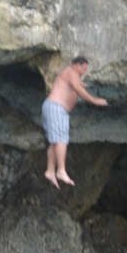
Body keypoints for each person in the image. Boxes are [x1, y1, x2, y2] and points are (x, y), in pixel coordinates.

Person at [42, 57, 107, 189]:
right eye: (84, 68)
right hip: (56, 107)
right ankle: (61, 170)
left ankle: (50, 171)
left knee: (55, 141)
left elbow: (73, 87)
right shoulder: (71, 72)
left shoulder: (71, 76)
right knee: (61, 139)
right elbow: (78, 88)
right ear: (77, 65)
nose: (85, 71)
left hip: (55, 108)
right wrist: (94, 100)